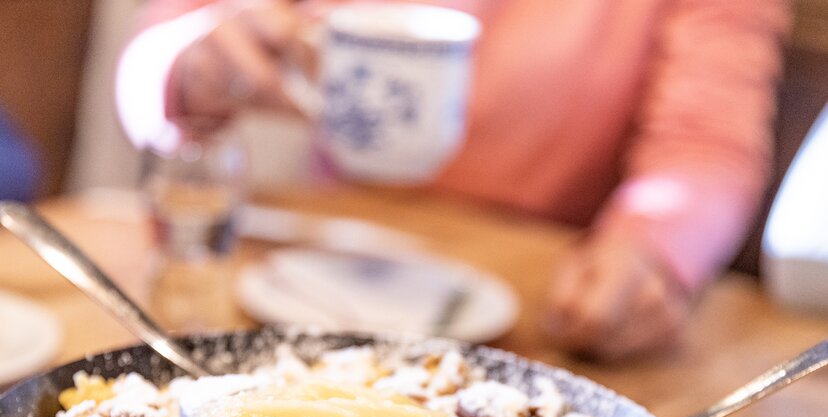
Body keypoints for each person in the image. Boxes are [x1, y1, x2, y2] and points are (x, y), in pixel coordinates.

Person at [117, 0, 789, 360]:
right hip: (307, 282)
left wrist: (653, 246)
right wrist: (189, 67)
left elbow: (706, 142)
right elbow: (155, 58)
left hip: (538, 318)